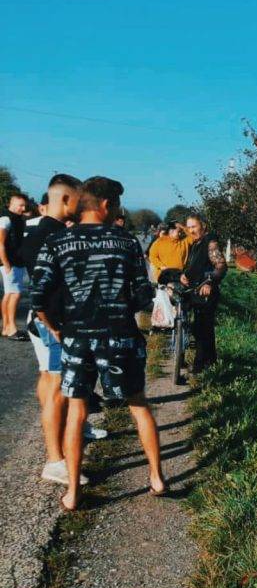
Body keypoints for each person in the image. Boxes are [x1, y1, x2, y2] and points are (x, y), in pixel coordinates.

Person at [32, 176, 167, 511]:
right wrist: (122, 310)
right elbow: (142, 293)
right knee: (139, 405)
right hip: (120, 334)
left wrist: (57, 330)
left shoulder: (58, 240)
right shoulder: (127, 242)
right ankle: (157, 478)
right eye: (117, 204)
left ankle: (73, 493)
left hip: (77, 337)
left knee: (77, 412)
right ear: (107, 205)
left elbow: (38, 298)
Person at [20, 175, 106, 483]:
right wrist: (55, 324)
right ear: (66, 200)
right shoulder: (55, 235)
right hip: (53, 323)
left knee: (47, 381)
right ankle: (55, 459)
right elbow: (51, 287)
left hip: (42, 320)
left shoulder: (38, 231)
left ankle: (58, 443)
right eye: (78, 199)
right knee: (57, 388)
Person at [181, 214, 226, 375]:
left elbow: (220, 265)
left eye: (194, 226)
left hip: (206, 292)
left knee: (202, 328)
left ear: (203, 226)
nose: (191, 230)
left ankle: (199, 367)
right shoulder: (196, 244)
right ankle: (210, 363)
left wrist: (210, 282)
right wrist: (184, 274)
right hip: (194, 291)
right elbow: (193, 266)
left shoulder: (210, 242)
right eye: (189, 227)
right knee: (202, 329)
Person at [1, 192, 30, 339]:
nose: (23, 208)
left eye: (24, 205)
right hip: (10, 262)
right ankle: (12, 329)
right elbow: (0, 243)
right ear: (11, 204)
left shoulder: (17, 219)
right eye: (20, 205)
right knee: (16, 293)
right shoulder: (6, 219)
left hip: (14, 261)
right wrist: (6, 263)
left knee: (9, 293)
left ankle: (6, 327)